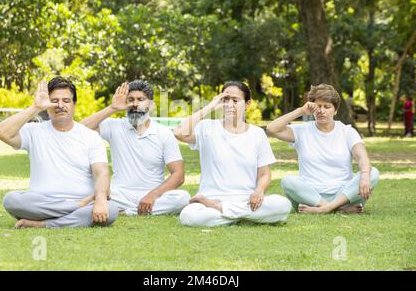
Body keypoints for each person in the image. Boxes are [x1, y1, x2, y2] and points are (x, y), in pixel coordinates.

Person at [0, 77, 119, 228]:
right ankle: (75, 209)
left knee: (111, 209)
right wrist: (35, 107)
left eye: (66, 101)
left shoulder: (90, 136)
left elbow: (102, 173)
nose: (60, 105)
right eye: (54, 101)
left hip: (78, 201)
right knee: (11, 200)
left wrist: (100, 199)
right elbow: (2, 132)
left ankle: (43, 224)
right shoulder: (34, 131)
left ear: (74, 105)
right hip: (44, 202)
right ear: (47, 105)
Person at [174, 81, 291, 227]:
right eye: (225, 100)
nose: (229, 105)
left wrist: (259, 190)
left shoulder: (257, 134)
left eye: (235, 100)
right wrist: (210, 106)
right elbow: (179, 132)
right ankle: (246, 217)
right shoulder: (207, 128)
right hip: (210, 199)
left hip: (247, 200)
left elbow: (264, 174)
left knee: (283, 205)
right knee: (189, 216)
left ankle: (223, 212)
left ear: (247, 104)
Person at [80, 80, 189, 216]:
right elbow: (79, 129)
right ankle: (135, 210)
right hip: (118, 194)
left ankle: (127, 212)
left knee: (182, 198)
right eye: (130, 100)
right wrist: (112, 108)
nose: (135, 104)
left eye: (141, 99)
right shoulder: (115, 126)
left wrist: (152, 195)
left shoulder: (164, 133)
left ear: (151, 104)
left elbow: (178, 176)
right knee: (91, 191)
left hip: (153, 195)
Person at [267, 84, 379, 214]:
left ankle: (326, 209)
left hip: (343, 195)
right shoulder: (302, 130)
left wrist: (365, 177)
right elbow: (271, 129)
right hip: (311, 196)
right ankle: (339, 210)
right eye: (317, 106)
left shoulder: (347, 131)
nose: (321, 111)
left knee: (372, 172)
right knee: (287, 181)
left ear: (335, 110)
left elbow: (362, 157)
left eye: (327, 107)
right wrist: (300, 111)